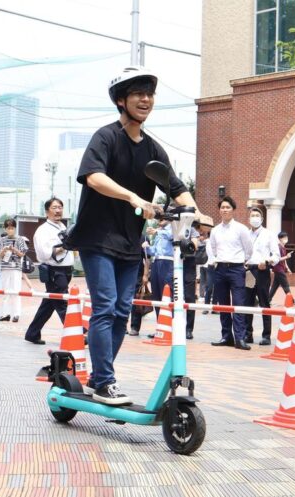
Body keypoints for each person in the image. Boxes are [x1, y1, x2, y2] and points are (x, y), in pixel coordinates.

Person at [64, 66, 197, 405]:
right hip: (97, 238)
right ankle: (106, 380)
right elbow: (93, 177)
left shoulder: (153, 149)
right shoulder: (106, 137)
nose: (146, 100)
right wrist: (134, 196)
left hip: (129, 242)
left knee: (123, 311)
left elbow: (178, 189)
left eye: (150, 94)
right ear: (121, 100)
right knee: (106, 306)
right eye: (138, 93)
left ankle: (98, 376)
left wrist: (195, 214)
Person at [25, 198, 74, 345]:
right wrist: (63, 246)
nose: (58, 210)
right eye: (54, 207)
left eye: (60, 207)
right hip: (54, 271)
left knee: (49, 304)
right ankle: (76, 333)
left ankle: (32, 333)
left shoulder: (62, 227)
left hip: (66, 270)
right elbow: (43, 254)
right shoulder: (43, 230)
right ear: (47, 211)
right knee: (62, 303)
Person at [208, 196, 253, 350]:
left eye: (228, 207)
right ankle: (226, 336)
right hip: (220, 269)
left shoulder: (241, 229)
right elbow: (213, 249)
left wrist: (241, 261)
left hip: (236, 269)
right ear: (219, 210)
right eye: (222, 207)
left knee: (238, 304)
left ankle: (240, 338)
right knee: (223, 304)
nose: (225, 210)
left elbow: (249, 250)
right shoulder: (215, 230)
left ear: (233, 209)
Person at [244, 206, 280, 346]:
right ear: (248, 219)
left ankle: (266, 335)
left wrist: (268, 262)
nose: (254, 218)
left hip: (262, 270)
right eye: (252, 216)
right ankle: (248, 334)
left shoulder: (269, 234)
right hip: (248, 270)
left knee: (264, 302)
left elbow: (276, 255)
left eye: (257, 216)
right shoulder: (246, 234)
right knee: (248, 303)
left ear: (262, 219)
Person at [0, 218, 27, 323]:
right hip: (5, 268)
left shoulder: (20, 240)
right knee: (5, 291)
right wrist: (4, 249)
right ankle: (5, 314)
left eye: (12, 228)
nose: (10, 230)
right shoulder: (2, 240)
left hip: (16, 268)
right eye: (8, 228)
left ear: (15, 228)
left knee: (16, 291)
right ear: (5, 228)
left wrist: (14, 250)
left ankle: (17, 314)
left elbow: (22, 253)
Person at [127, 235, 151, 336]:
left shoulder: (144, 238)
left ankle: (135, 327)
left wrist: (145, 275)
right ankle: (121, 325)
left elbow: (147, 258)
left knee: (136, 301)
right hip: (124, 272)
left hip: (137, 273)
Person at [268, 231, 293, 304]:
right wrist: (287, 256)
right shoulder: (278, 247)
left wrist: (287, 268)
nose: (286, 238)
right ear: (280, 239)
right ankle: (291, 300)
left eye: (286, 237)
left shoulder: (283, 247)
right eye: (284, 237)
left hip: (280, 268)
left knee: (274, 286)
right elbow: (277, 259)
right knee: (286, 285)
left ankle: (268, 299)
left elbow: (284, 260)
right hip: (278, 269)